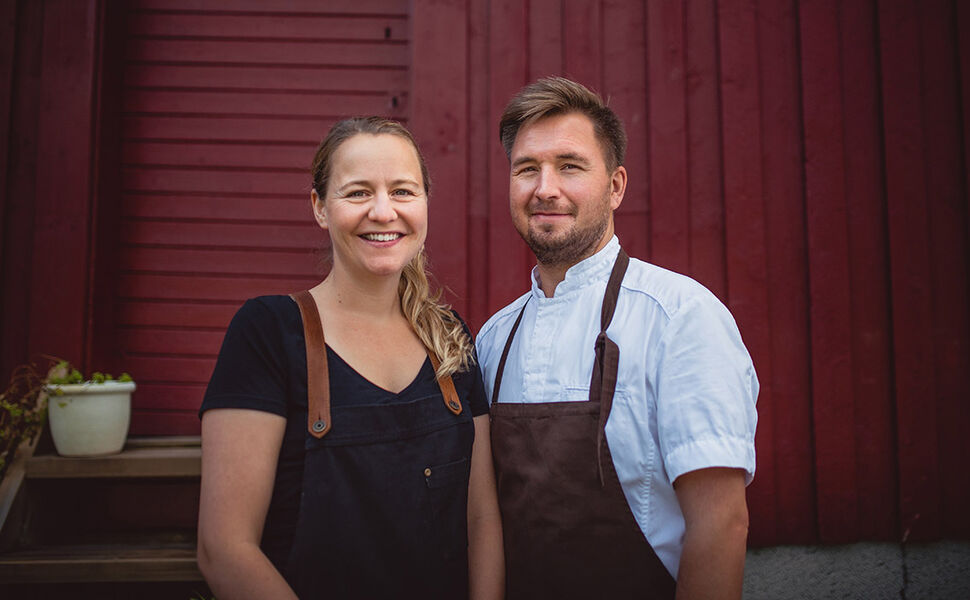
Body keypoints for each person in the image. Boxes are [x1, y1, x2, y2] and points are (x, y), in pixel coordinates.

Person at [197, 117, 504, 599]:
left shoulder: (449, 336)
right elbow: (225, 549)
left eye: (403, 191)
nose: (383, 212)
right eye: (358, 193)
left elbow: (482, 518)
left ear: (425, 203)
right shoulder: (268, 332)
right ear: (320, 207)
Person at [476, 77, 758, 599]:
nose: (545, 189)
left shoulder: (680, 318)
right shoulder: (495, 340)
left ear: (616, 186)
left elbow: (721, 526)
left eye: (569, 165)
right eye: (526, 169)